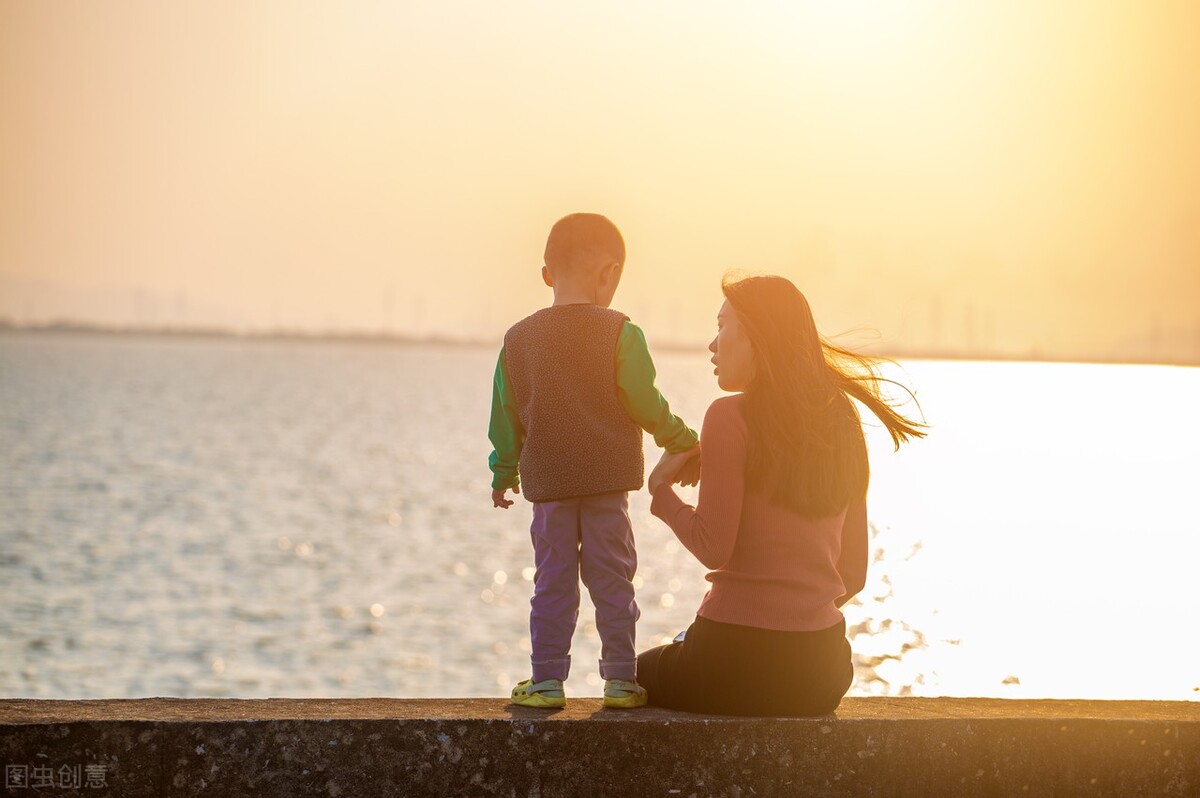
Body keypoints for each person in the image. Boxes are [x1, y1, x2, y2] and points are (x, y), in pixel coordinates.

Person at [638, 274, 925, 716]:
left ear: (755, 335)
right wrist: (796, 621)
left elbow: (713, 547)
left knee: (630, 675)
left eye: (722, 327)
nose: (712, 345)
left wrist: (661, 495)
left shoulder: (728, 415)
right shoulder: (842, 421)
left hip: (727, 660)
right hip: (821, 673)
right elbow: (854, 573)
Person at [489, 213, 701, 709]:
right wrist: (683, 438)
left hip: (551, 487)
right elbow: (645, 403)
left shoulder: (517, 340)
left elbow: (506, 416)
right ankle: (622, 680)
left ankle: (545, 683)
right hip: (608, 485)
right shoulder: (621, 332)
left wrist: (504, 472)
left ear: (546, 273)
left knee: (552, 583)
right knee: (612, 578)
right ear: (609, 273)